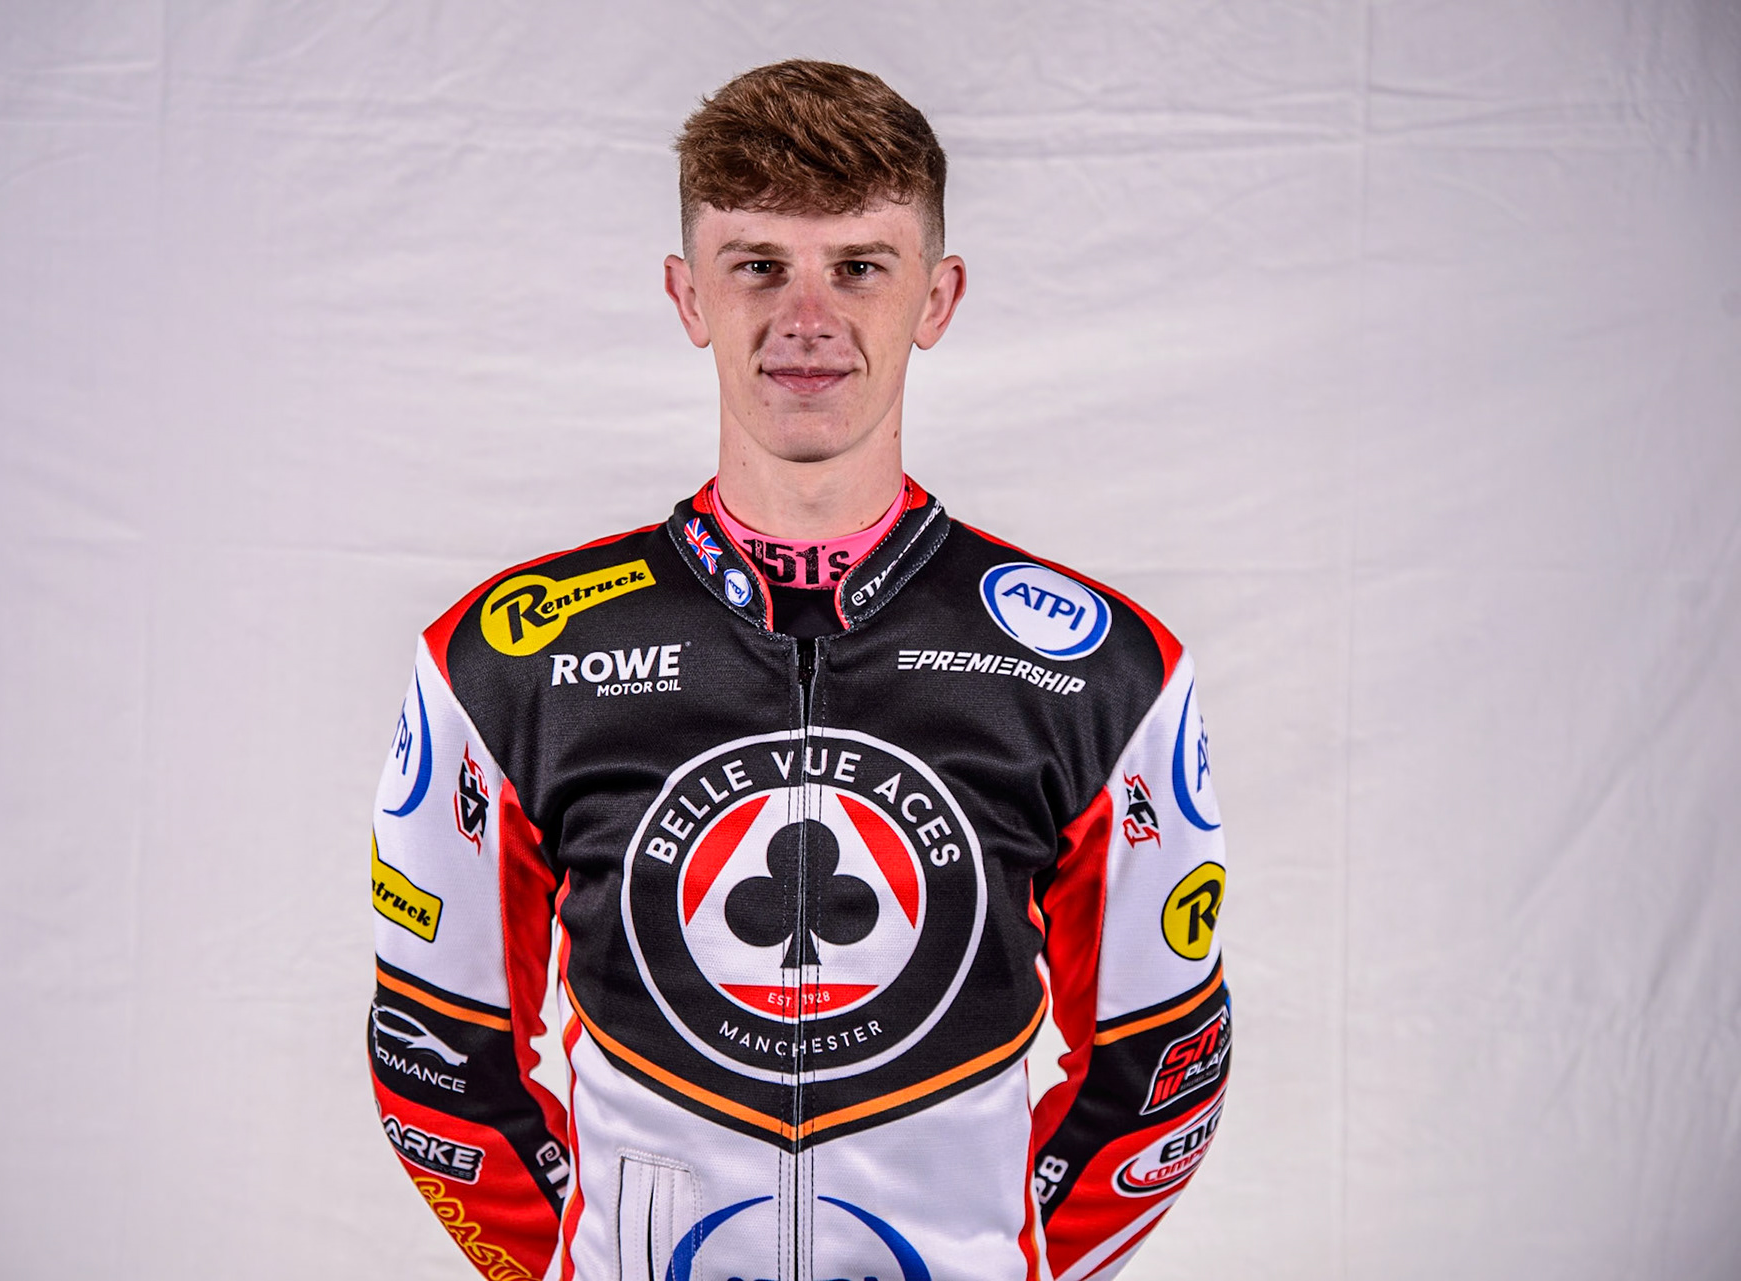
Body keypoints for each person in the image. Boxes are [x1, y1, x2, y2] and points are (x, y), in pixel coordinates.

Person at [367, 59, 1230, 1281]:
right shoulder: (503, 659)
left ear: (938, 296)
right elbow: (437, 1054)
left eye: (860, 267)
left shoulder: (1106, 671)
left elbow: (1162, 1066)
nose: (807, 319)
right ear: (687, 295)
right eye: (758, 264)